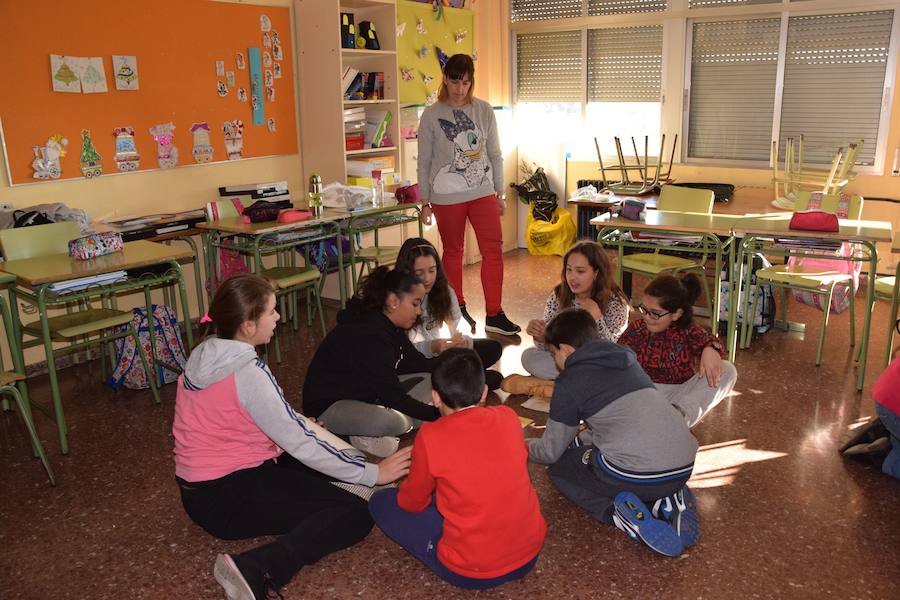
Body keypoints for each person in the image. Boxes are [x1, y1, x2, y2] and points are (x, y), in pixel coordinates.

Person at [172, 273, 412, 600]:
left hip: (203, 493)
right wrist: (374, 473)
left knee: (320, 454)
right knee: (355, 513)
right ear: (248, 326)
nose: (278, 318)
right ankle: (257, 568)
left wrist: (297, 425)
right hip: (227, 499)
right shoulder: (248, 372)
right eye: (271, 311)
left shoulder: (206, 352)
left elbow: (245, 419)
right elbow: (298, 441)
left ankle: (355, 483)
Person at [527, 309, 700, 557]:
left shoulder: (570, 380)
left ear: (565, 350)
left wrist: (518, 443)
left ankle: (616, 513)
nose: (555, 360)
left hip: (638, 475)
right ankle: (667, 500)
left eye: (554, 353)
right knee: (605, 452)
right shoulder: (626, 359)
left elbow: (549, 452)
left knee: (560, 469)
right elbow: (623, 423)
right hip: (683, 465)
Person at [369, 348, 546, 589]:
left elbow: (413, 503)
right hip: (529, 555)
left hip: (471, 571)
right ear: (484, 392)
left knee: (382, 501)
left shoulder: (430, 436)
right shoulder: (508, 416)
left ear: (435, 397)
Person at [416, 52, 519, 336]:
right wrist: (425, 202)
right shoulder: (431, 115)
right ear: (445, 79)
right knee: (453, 252)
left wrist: (500, 192)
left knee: (493, 250)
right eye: (454, 82)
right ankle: (457, 309)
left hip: (483, 191)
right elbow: (424, 160)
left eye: (465, 82)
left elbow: (495, 153)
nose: (459, 89)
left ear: (471, 82)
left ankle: (494, 314)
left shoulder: (484, 110)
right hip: (445, 196)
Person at [303, 266, 439, 457]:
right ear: (394, 301)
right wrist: (441, 414)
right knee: (399, 422)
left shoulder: (392, 326)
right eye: (415, 304)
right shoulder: (369, 335)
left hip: (368, 394)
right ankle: (360, 435)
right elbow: (393, 396)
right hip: (330, 406)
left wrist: (461, 371)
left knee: (430, 379)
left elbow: (419, 364)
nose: (418, 311)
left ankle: (383, 426)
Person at [504, 241, 629, 394]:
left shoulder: (615, 302)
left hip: (597, 363)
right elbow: (549, 347)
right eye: (569, 270)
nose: (572, 277)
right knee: (528, 356)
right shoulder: (559, 294)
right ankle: (579, 383)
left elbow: (614, 352)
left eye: (580, 271)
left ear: (596, 273)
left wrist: (597, 319)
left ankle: (559, 384)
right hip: (564, 360)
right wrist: (541, 336)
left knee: (612, 370)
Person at [618, 273, 737, 428]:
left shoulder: (688, 331)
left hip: (677, 397)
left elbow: (709, 339)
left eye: (655, 313)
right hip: (642, 393)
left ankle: (677, 420)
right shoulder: (637, 328)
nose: (647, 317)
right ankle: (654, 423)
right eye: (644, 310)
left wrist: (710, 349)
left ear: (676, 314)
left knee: (728, 370)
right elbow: (617, 357)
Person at [395, 237, 504, 389]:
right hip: (415, 358)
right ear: (407, 272)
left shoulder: (444, 291)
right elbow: (404, 351)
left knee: (493, 348)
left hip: (441, 352)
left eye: (432, 270)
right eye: (419, 273)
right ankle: (464, 377)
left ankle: (459, 377)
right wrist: (433, 347)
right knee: (491, 378)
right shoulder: (399, 298)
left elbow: (457, 323)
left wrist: (463, 340)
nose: (427, 278)